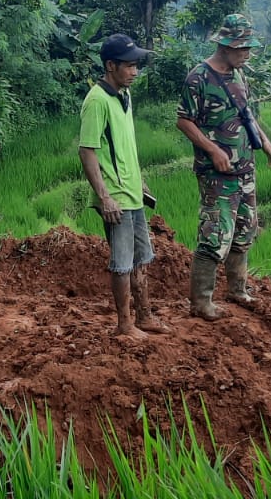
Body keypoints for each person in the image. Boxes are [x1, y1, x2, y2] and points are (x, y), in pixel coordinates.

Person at [176, 14, 271, 321]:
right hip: (216, 174)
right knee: (215, 233)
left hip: (245, 169)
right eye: (242, 48)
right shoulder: (198, 78)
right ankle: (201, 302)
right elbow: (184, 121)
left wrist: (265, 141)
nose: (248, 53)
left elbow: (246, 113)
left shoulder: (239, 75)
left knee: (245, 229)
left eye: (249, 47)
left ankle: (238, 290)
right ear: (225, 46)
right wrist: (213, 149)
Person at [79, 34, 170, 340]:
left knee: (142, 257)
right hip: (115, 197)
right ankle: (124, 324)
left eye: (136, 65)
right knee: (122, 262)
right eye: (129, 66)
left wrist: (139, 181)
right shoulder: (97, 101)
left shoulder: (124, 95)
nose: (135, 71)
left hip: (133, 194)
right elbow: (87, 150)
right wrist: (105, 197)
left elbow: (125, 146)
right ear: (110, 65)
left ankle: (144, 316)